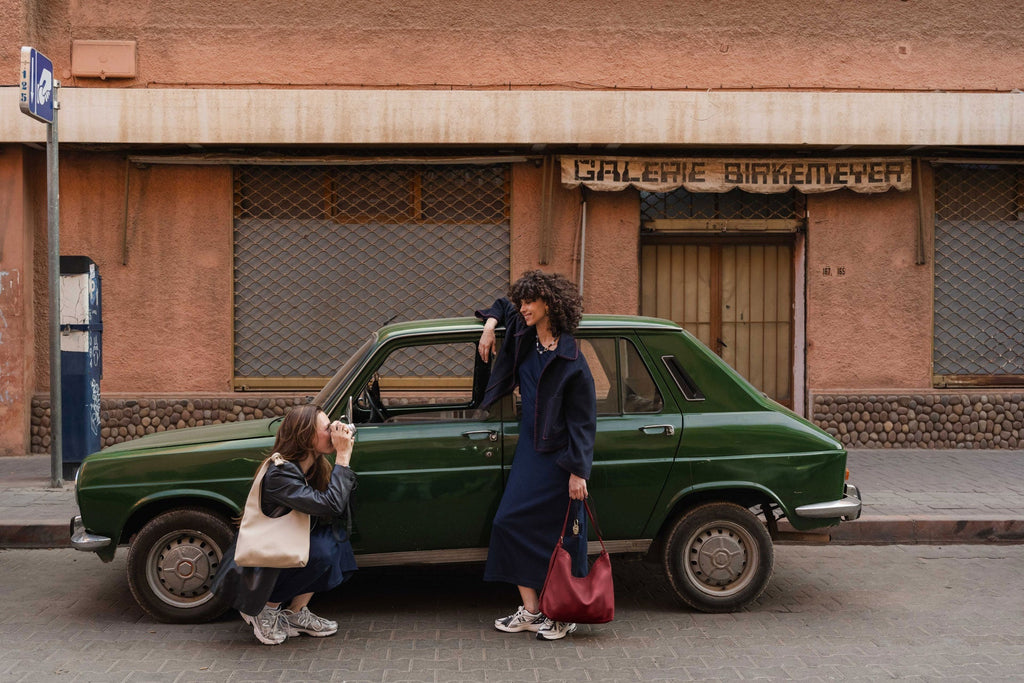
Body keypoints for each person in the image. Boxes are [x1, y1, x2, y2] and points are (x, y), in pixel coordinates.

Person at [476, 270, 597, 641]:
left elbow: (583, 421)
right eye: (523, 302)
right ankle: (531, 611)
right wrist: (490, 326)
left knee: (560, 538)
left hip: (560, 458)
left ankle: (562, 614)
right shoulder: (523, 333)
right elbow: (501, 305)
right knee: (508, 523)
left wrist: (578, 471)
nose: (523, 308)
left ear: (549, 304)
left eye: (530, 302)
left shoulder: (571, 360)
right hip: (531, 448)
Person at [211, 403, 358, 645]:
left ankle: (295, 614)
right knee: (322, 551)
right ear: (305, 436)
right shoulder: (280, 473)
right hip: (257, 563)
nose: (333, 431)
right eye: (326, 428)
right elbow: (330, 505)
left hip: (282, 550)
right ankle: (264, 610)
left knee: (336, 540)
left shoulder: (314, 468)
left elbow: (338, 509)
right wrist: (342, 458)